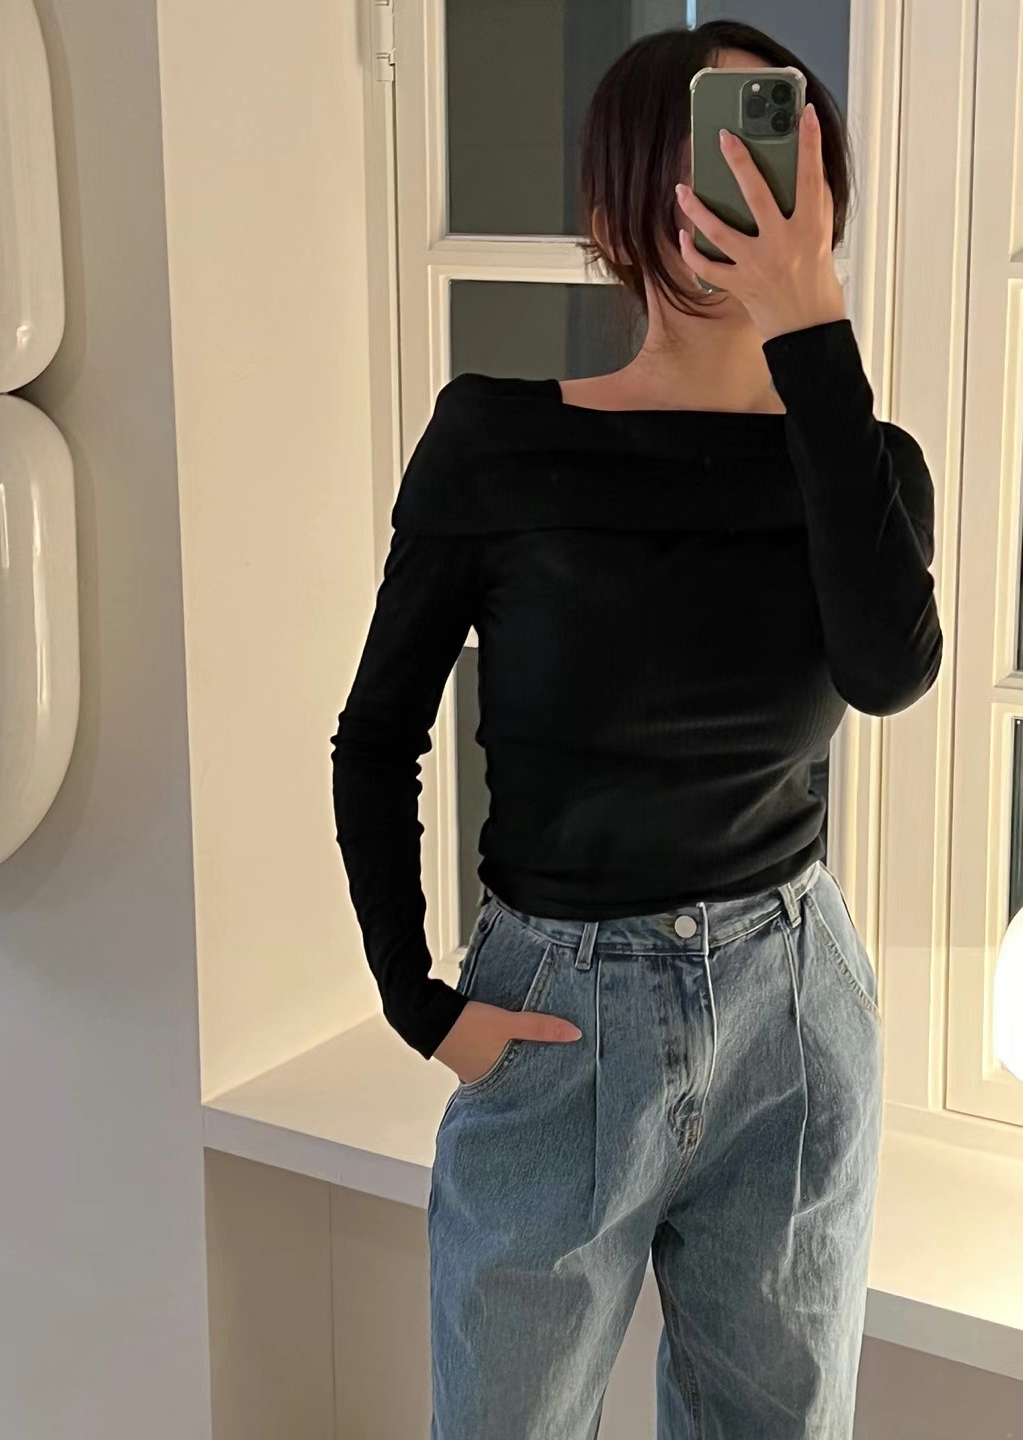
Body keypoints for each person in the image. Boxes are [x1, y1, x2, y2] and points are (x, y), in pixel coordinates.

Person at [330, 18, 942, 1440]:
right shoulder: (496, 442)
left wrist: (813, 333)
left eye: (781, 164)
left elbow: (889, 674)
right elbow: (378, 734)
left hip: (793, 1009)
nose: (747, 198)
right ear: (616, 212)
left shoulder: (863, 471)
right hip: (557, 1014)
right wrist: (419, 1003)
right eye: (705, 165)